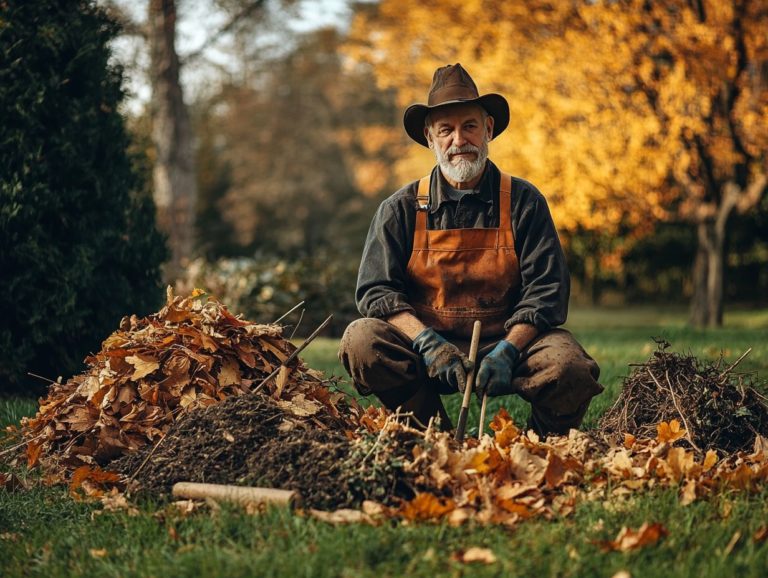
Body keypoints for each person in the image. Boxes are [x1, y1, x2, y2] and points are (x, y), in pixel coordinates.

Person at [338, 63, 602, 436]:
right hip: (425, 344)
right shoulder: (399, 208)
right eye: (446, 130)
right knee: (362, 340)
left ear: (488, 129)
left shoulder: (524, 201)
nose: (458, 140)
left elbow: (547, 292)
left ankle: (543, 447)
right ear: (430, 139)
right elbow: (376, 292)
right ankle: (430, 435)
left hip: (509, 341)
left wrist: (509, 350)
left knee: (569, 366)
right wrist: (428, 342)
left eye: (470, 126)